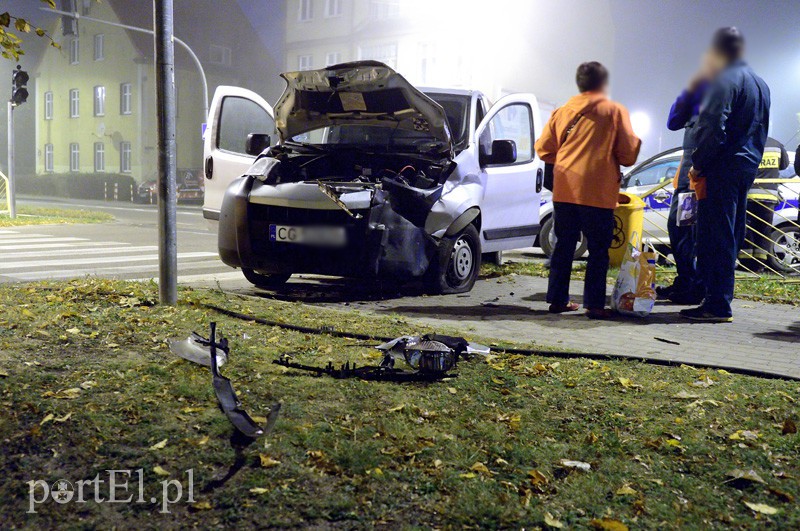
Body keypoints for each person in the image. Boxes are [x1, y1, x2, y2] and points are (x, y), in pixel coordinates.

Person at [535, 62, 641, 319]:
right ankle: (594, 305)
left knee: (564, 246)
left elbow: (544, 149)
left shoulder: (562, 111)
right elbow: (628, 154)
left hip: (566, 191)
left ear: (580, 84)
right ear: (603, 84)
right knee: (598, 250)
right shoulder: (614, 111)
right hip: (598, 191)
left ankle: (558, 300)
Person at [680, 28, 771, 322]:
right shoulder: (761, 84)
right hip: (746, 167)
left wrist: (699, 164)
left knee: (715, 235)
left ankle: (717, 304)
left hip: (721, 167)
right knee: (731, 234)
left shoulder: (723, 79)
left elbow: (711, 127)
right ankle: (719, 296)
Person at [657, 66, 714, 305]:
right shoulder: (694, 101)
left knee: (690, 233)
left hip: (698, 181)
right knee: (680, 230)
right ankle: (687, 281)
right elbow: (672, 121)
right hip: (686, 181)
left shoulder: (718, 103)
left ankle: (694, 285)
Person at [741, 137, 789, 270]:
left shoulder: (748, 142)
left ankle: (746, 263)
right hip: (768, 196)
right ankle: (760, 265)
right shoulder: (777, 144)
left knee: (748, 230)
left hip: (749, 195)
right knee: (764, 230)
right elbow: (784, 165)